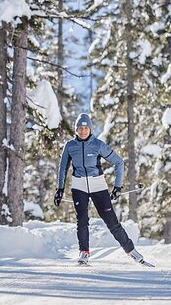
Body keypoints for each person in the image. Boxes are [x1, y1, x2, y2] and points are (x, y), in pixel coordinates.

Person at [54, 113, 151, 266]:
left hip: (97, 185)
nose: (83, 131)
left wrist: (118, 186)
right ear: (76, 130)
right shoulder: (70, 146)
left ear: (90, 129)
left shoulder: (97, 144)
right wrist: (59, 189)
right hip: (79, 186)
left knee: (111, 221)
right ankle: (84, 253)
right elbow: (63, 168)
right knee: (82, 220)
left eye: (86, 128)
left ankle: (131, 251)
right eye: (80, 128)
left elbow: (119, 162)